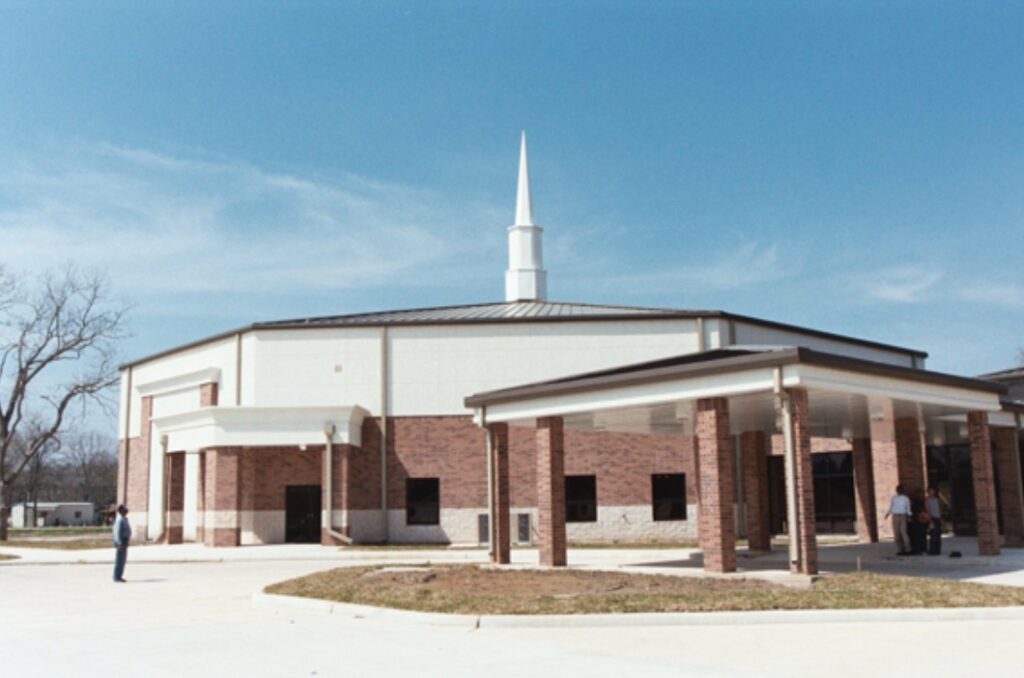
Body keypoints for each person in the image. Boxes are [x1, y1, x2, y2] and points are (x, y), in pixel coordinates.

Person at [884, 485, 912, 555]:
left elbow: (908, 508)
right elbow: (891, 507)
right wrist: (888, 513)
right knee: (897, 534)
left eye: (900, 489)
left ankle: (908, 549)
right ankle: (900, 549)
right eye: (898, 489)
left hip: (902, 516)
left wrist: (909, 515)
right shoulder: (894, 498)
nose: (899, 491)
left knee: (904, 533)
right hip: (895, 516)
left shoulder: (906, 498)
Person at [112, 504, 131, 583]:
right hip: (121, 542)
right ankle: (117, 577)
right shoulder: (119, 520)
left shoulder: (124, 519)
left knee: (122, 560)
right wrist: (119, 543)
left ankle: (119, 576)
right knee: (119, 560)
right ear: (120, 511)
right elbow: (117, 533)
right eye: (124, 509)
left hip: (124, 541)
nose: (126, 510)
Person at [926, 486, 943, 555]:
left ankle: (938, 550)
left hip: (937, 518)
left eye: (933, 490)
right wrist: (930, 520)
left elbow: (939, 509)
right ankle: (932, 550)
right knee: (933, 535)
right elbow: (927, 510)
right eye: (930, 491)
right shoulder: (927, 500)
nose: (931, 492)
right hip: (932, 518)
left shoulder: (937, 499)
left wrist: (941, 518)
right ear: (928, 492)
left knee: (938, 534)